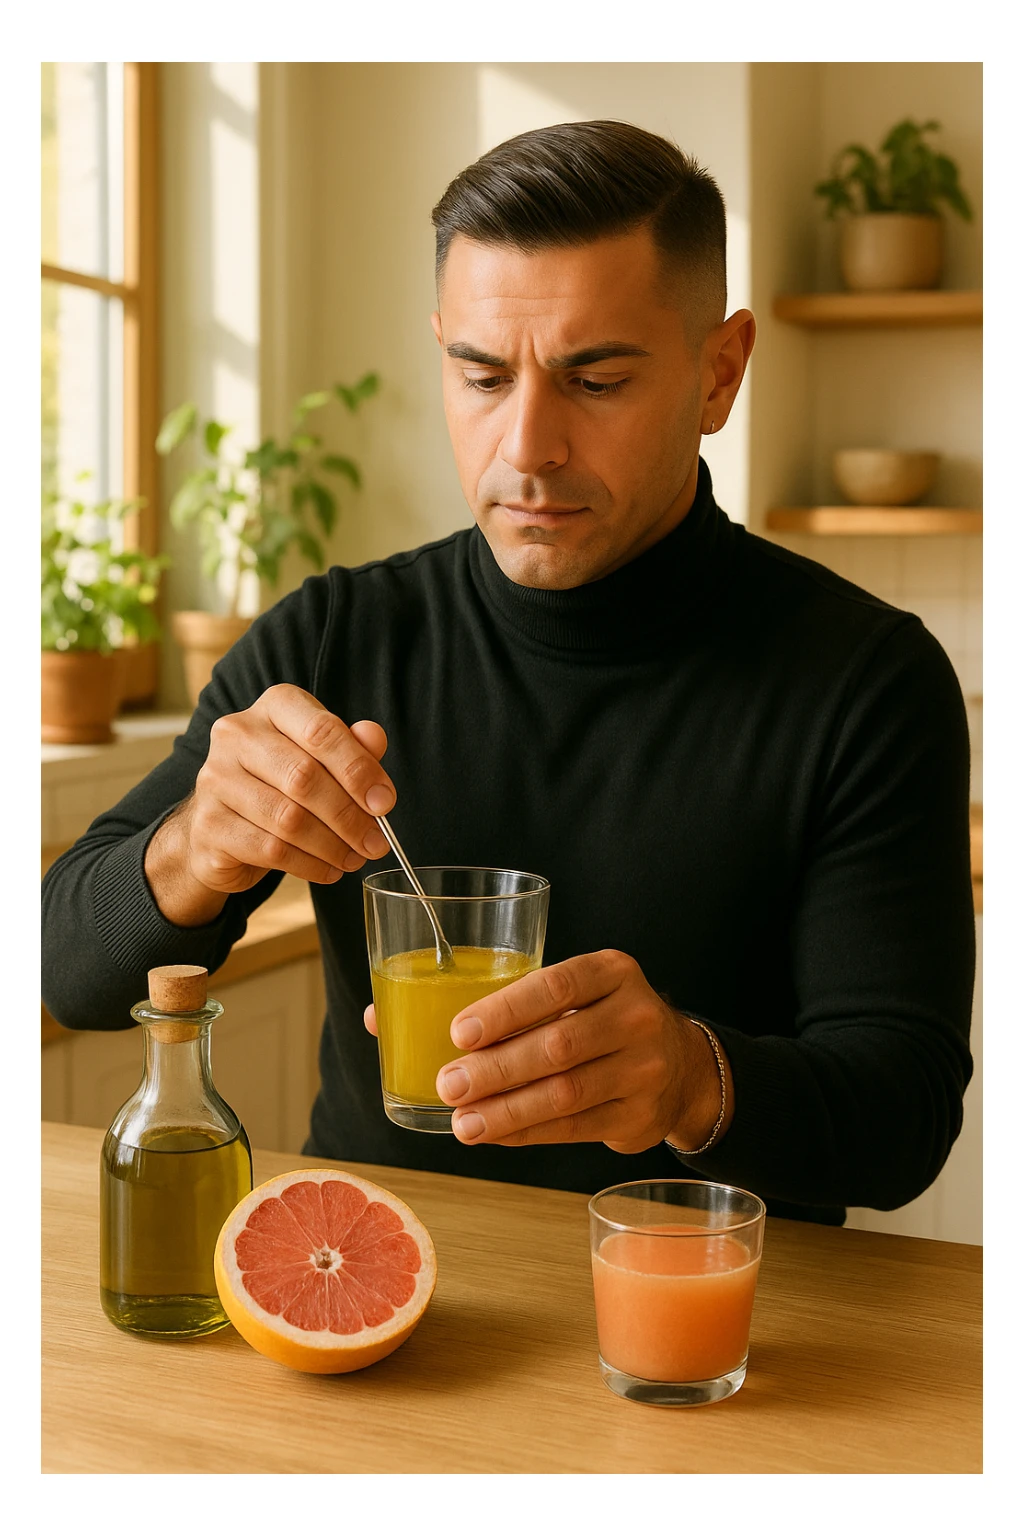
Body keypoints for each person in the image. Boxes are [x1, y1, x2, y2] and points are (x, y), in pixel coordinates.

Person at [41, 120, 975, 1224]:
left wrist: (688, 1078)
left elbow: (903, 1117)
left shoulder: (864, 682)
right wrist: (196, 844)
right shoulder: (334, 637)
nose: (525, 447)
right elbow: (64, 969)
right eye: (481, 374)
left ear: (718, 373)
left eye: (596, 379)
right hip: (361, 1276)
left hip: (704, 1317)